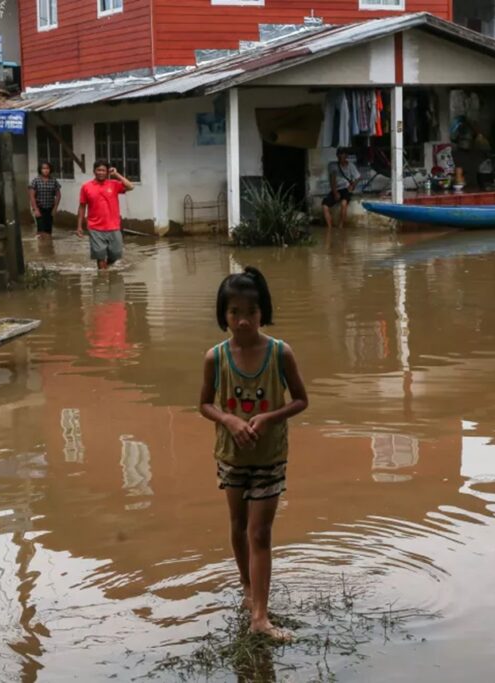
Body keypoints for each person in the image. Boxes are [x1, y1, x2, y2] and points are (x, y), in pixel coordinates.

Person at [198, 267, 309, 641]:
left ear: (263, 312)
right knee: (237, 525)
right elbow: (204, 405)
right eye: (233, 312)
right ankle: (248, 590)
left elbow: (301, 400)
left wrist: (269, 417)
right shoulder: (215, 357)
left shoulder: (280, 353)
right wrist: (229, 419)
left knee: (259, 532)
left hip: (269, 456)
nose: (242, 321)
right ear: (222, 315)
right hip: (231, 455)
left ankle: (260, 617)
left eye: (250, 312)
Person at [76, 159, 134, 269]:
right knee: (100, 256)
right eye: (98, 170)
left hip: (113, 226)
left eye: (103, 170)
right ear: (94, 171)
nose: (101, 172)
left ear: (107, 172)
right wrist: (79, 226)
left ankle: (106, 267)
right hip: (95, 227)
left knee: (116, 254)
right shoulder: (86, 187)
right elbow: (82, 206)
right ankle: (102, 279)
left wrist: (116, 174)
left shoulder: (114, 184)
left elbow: (131, 186)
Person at [323, 148, 360, 229]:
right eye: (339, 154)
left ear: (346, 156)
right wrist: (335, 192)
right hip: (336, 189)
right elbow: (332, 180)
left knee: (344, 204)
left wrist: (352, 186)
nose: (340, 156)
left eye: (342, 154)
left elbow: (358, 177)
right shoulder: (333, 166)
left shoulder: (351, 166)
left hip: (346, 189)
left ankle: (341, 226)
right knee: (325, 206)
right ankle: (329, 228)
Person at [30, 162, 61, 241]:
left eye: (47, 168)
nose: (46, 170)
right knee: (40, 229)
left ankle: (48, 248)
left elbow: (58, 195)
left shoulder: (54, 181)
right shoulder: (35, 181)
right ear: (40, 170)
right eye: (43, 168)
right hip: (39, 208)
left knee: (48, 229)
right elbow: (32, 196)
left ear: (50, 170)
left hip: (50, 208)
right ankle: (41, 248)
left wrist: (55, 208)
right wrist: (35, 209)